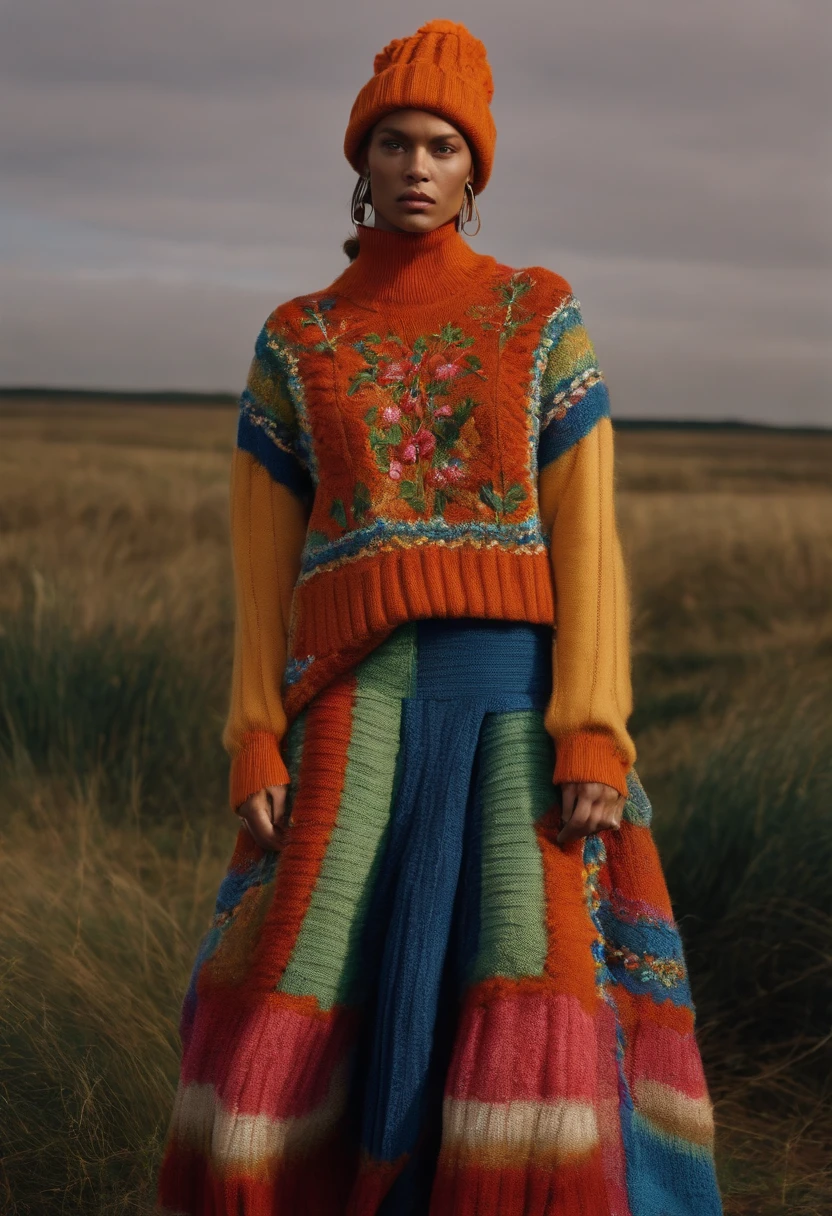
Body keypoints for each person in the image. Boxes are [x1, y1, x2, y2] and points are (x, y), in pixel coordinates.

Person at [155, 19, 723, 1216]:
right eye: (395, 144)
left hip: (515, 697)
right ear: (358, 164)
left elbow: (588, 540)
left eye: (445, 149)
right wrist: (252, 734)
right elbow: (261, 568)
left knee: (528, 971)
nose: (417, 168)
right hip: (352, 702)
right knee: (304, 968)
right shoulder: (299, 341)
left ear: (477, 172)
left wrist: (592, 731)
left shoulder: (537, 318)